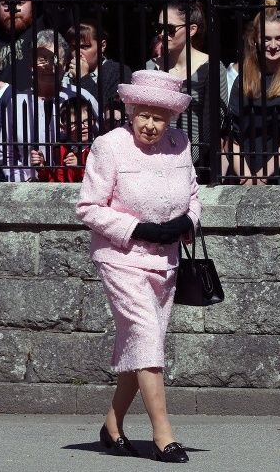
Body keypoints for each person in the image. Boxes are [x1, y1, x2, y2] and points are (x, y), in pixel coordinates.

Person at [76, 69, 199, 464]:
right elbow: (88, 207)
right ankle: (164, 437)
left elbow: (194, 195)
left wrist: (187, 222)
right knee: (146, 336)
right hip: (121, 257)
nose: (149, 124)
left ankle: (112, 426)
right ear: (130, 110)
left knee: (142, 345)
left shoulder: (181, 143)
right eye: (143, 114)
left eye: (158, 116)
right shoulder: (109, 146)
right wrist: (136, 227)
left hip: (165, 261)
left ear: (171, 118)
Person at [224, 0, 280, 184]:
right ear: (256, 39)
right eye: (267, 39)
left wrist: (263, 175)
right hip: (244, 176)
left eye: (279, 38)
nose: (273, 46)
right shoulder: (244, 78)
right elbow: (231, 135)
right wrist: (246, 176)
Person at [0, 29, 98, 181]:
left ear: (64, 64)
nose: (50, 65)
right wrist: (21, 181)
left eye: (56, 58)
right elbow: (6, 152)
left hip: (77, 186)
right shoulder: (17, 103)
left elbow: (102, 141)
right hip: (29, 189)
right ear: (31, 65)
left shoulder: (82, 96)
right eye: (43, 58)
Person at [147, 0, 228, 184]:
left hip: (197, 166)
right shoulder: (151, 67)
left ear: (192, 30)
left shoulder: (212, 68)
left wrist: (181, 163)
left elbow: (211, 125)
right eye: (159, 27)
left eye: (169, 28)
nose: (162, 34)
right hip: (152, 164)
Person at [0, 0, 72, 92]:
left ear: (32, 4)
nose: (13, 9)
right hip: (4, 107)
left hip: (40, 104)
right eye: (6, 4)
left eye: (20, 3)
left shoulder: (44, 25)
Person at [66, 19, 132, 111]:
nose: (78, 53)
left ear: (102, 46)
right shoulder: (63, 74)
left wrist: (83, 78)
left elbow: (107, 112)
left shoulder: (118, 72)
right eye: (73, 47)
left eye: (85, 47)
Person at [31, 96, 92, 182]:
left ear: (94, 121)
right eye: (75, 123)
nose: (82, 126)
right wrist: (42, 168)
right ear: (63, 127)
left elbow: (101, 181)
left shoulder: (99, 147)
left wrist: (80, 168)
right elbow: (57, 182)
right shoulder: (61, 149)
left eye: (86, 121)